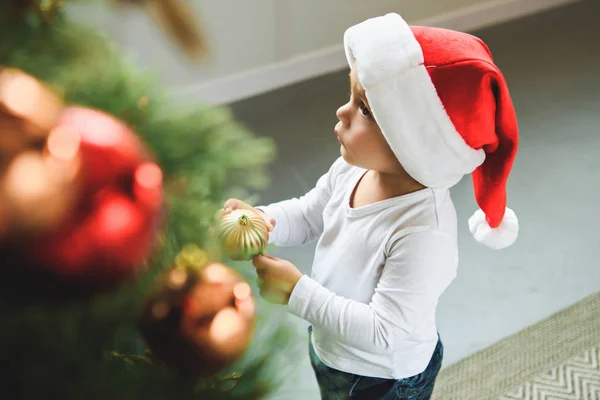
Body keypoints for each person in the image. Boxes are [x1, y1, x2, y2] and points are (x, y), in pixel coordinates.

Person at [222, 12, 519, 400]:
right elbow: (311, 212)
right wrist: (264, 220)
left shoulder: (423, 232)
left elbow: (385, 332)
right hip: (335, 347)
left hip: (383, 379)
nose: (341, 112)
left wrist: (298, 292)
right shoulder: (351, 169)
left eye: (364, 108)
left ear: (412, 140)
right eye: (351, 95)